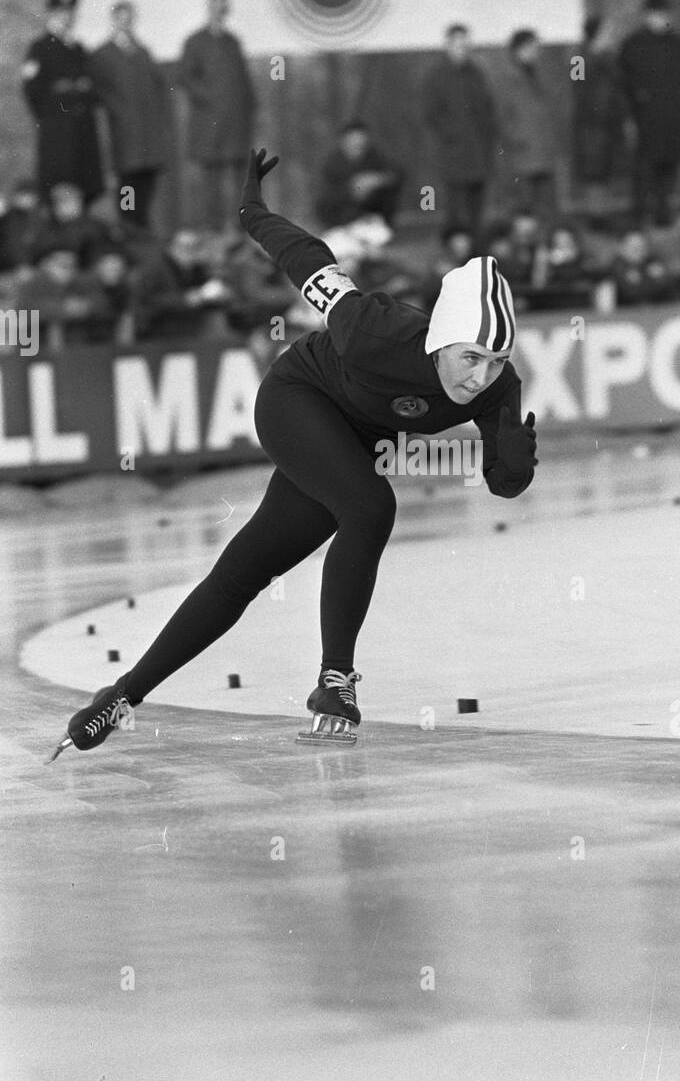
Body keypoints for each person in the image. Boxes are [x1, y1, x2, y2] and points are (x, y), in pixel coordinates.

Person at [51, 148, 538, 762]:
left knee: (245, 572)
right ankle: (335, 681)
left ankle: (120, 697)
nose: (480, 377)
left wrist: (514, 467)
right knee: (368, 506)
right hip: (296, 400)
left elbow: (502, 480)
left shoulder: (497, 386)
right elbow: (307, 259)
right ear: (441, 341)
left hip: (353, 440)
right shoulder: (373, 329)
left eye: (495, 362)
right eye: (471, 357)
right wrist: (252, 209)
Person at [178, 0, 257, 230]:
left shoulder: (233, 41)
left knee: (238, 179)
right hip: (209, 125)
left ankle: (239, 228)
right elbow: (186, 77)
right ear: (208, 8)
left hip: (235, 124)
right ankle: (211, 229)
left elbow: (244, 82)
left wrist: (248, 109)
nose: (218, 12)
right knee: (210, 180)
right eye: (214, 6)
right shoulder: (195, 41)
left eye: (222, 7)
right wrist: (212, 99)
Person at [89, 1, 172, 229]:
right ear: (114, 20)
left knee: (146, 183)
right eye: (121, 19)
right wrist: (118, 111)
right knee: (128, 183)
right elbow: (98, 91)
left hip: (148, 137)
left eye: (129, 19)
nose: (125, 24)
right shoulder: (103, 55)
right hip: (124, 135)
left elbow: (158, 87)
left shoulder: (142, 52)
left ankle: (141, 225)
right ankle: (127, 225)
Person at [618, 0, 680, 227]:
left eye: (664, 15)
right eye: (655, 15)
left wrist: (678, 104)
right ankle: (638, 215)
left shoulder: (676, 42)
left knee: (668, 170)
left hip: (671, 118)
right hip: (644, 120)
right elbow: (622, 83)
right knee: (643, 170)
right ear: (646, 16)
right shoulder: (632, 44)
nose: (660, 20)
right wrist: (633, 110)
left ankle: (663, 214)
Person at [21, 0, 104, 205]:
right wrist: (55, 110)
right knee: (59, 184)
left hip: (82, 129)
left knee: (84, 183)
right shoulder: (40, 48)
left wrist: (80, 89)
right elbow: (32, 90)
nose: (67, 17)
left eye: (71, 12)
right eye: (61, 12)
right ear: (51, 14)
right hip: (58, 130)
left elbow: (94, 87)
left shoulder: (78, 49)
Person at [423, 24, 498, 235]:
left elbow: (487, 108)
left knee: (477, 208)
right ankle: (455, 252)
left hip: (479, 152)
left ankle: (476, 249)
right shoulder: (436, 76)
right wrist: (453, 135)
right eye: (456, 44)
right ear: (447, 46)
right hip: (453, 154)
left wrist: (486, 137)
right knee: (455, 208)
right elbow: (431, 114)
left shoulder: (477, 73)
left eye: (465, 44)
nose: (461, 49)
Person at [499, 29, 558, 223]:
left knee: (546, 206)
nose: (535, 51)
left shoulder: (539, 74)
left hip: (542, 151)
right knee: (524, 207)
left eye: (536, 47)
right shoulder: (507, 78)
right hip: (522, 153)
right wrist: (517, 139)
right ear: (518, 50)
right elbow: (501, 116)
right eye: (530, 47)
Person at [571, 15, 627, 210]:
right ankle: (597, 215)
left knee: (607, 171)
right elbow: (578, 90)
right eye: (606, 32)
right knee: (593, 172)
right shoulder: (579, 58)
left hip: (610, 125)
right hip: (591, 127)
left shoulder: (611, 59)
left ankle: (607, 213)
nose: (610, 36)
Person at [316, 120, 402, 228]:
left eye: (361, 140)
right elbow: (327, 196)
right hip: (340, 219)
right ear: (344, 141)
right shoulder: (332, 164)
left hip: (373, 216)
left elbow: (396, 173)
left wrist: (376, 179)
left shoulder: (374, 157)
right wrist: (356, 187)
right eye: (353, 140)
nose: (358, 143)